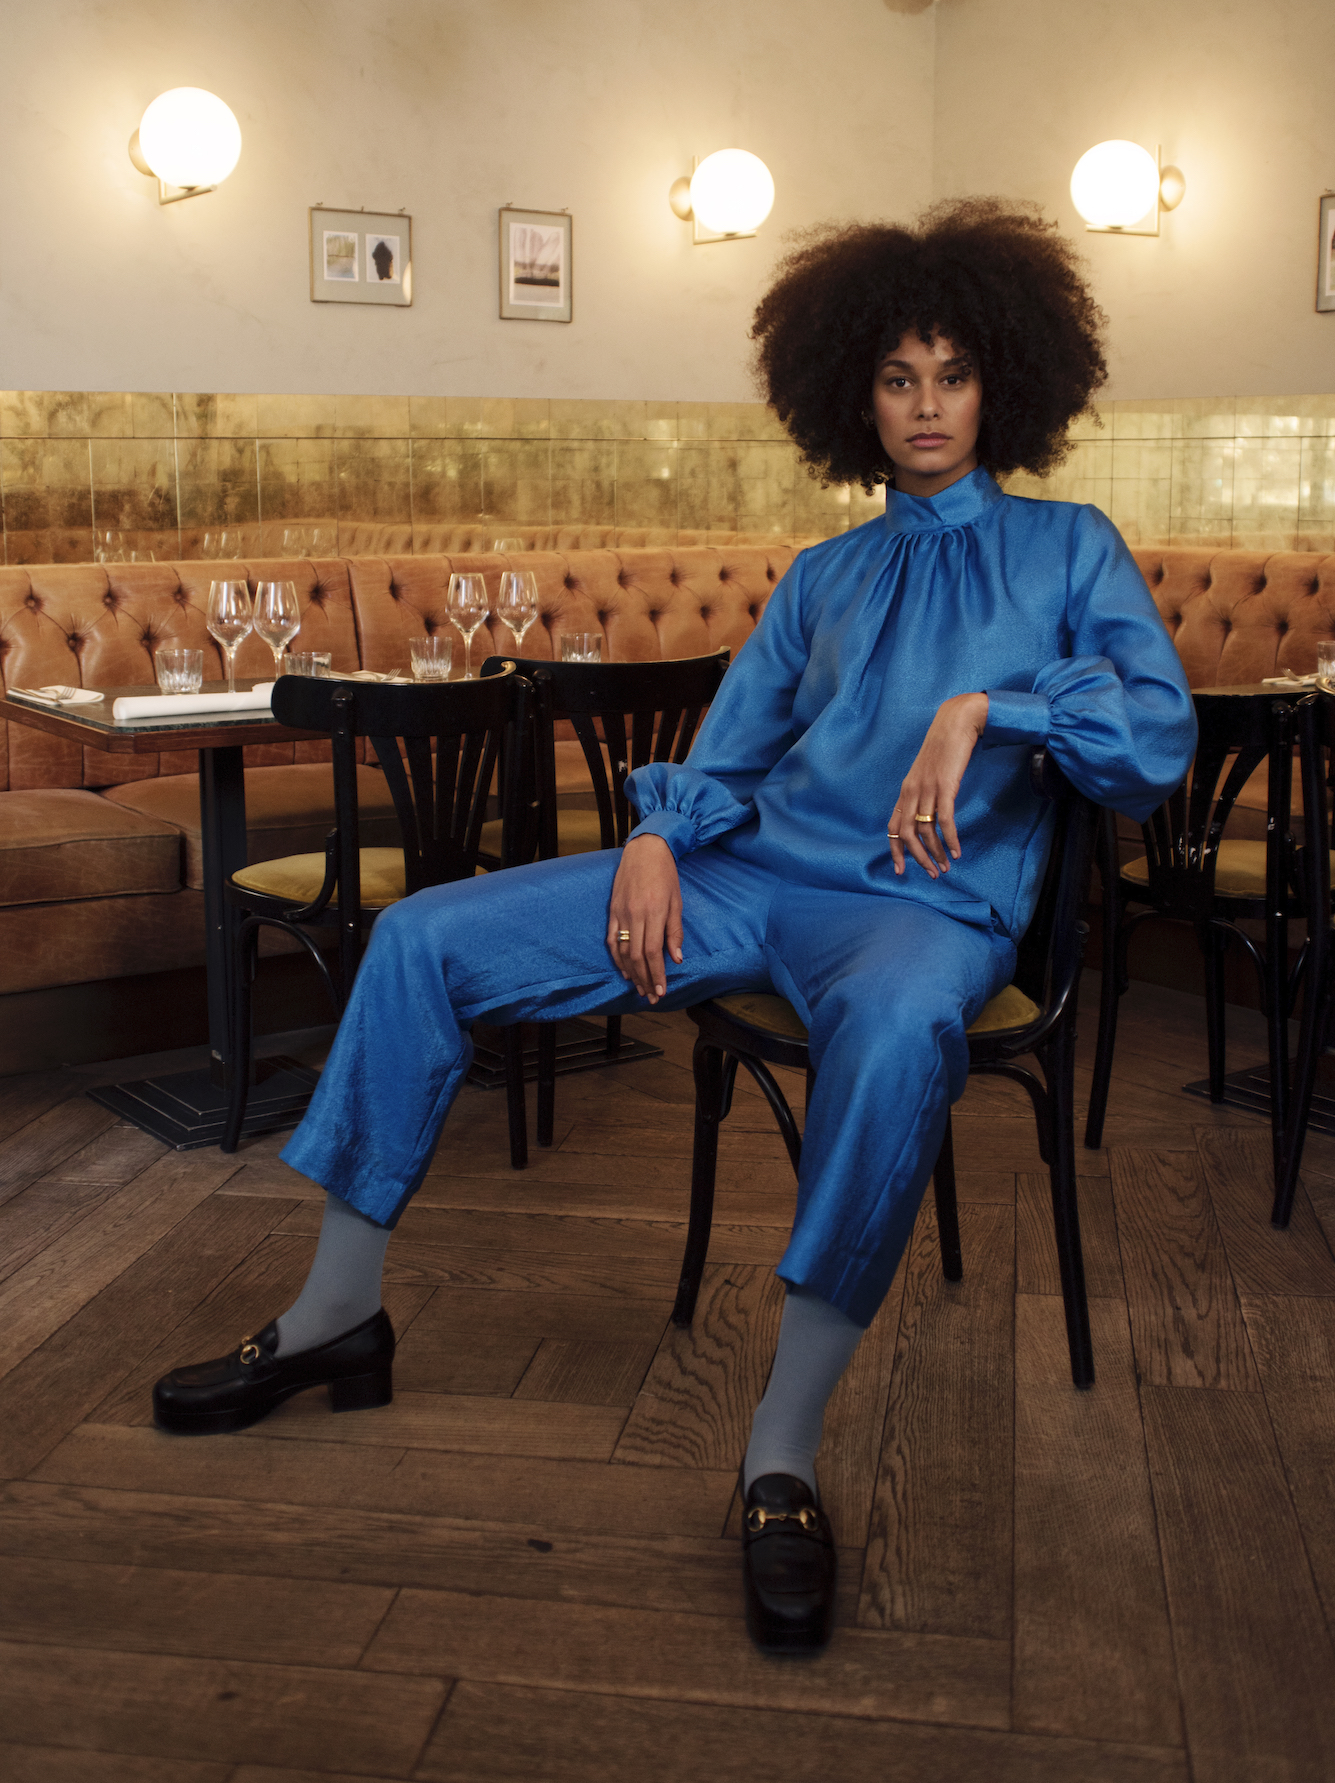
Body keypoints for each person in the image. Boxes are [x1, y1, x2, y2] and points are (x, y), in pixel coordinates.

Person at [153, 199, 1196, 1654]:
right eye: (897, 377)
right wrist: (653, 837)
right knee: (422, 938)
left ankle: (781, 1450)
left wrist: (991, 707)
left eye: (953, 376)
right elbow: (733, 749)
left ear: (1001, 386)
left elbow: (1154, 742)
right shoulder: (825, 576)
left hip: (924, 913)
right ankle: (338, 1313)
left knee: (898, 1033)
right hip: (751, 878)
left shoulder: (1070, 550)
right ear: (854, 397)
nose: (926, 405)